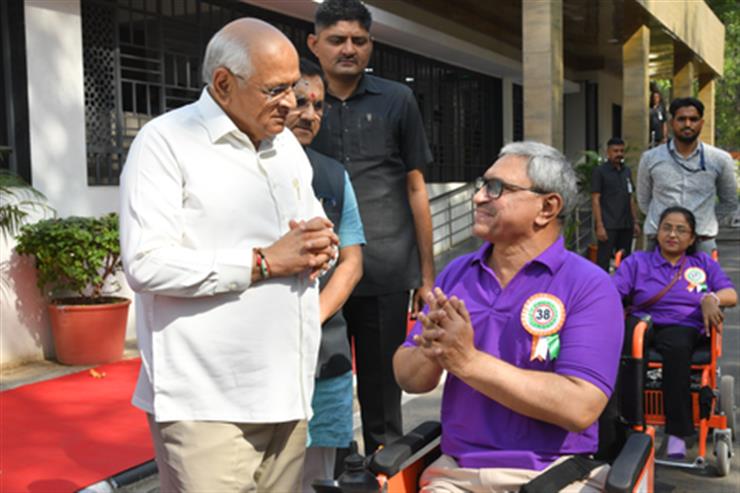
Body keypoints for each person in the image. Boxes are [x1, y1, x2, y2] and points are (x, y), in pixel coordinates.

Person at [119, 19, 340, 492]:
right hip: (208, 405)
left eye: (295, 88)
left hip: (289, 392)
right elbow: (145, 262)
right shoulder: (165, 142)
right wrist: (262, 262)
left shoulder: (286, 147)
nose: (292, 103)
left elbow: (310, 229)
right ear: (223, 84)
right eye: (276, 90)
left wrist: (322, 246)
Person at [394, 142, 624, 492]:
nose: (478, 198)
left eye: (496, 188)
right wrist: (431, 350)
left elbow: (580, 406)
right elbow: (409, 379)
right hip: (457, 474)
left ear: (547, 208)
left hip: (554, 473)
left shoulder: (589, 285)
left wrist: (468, 361)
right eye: (482, 185)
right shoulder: (458, 274)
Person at [308, 0, 435, 454]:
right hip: (319, 271)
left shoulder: (397, 100)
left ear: (371, 45)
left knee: (384, 392)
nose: (348, 49)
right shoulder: (302, 103)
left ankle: (384, 473)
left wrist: (426, 276)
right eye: (337, 40)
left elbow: (416, 188)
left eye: (358, 41)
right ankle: (333, 471)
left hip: (386, 265)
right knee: (323, 383)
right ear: (314, 44)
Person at [285, 58, 366, 491]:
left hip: (324, 348)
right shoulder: (240, 169)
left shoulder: (334, 175)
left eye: (318, 106)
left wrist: (312, 316)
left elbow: (351, 262)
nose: (310, 115)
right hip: (259, 351)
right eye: (300, 101)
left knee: (317, 476)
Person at [613, 206, 736, 458]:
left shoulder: (702, 263)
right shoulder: (638, 262)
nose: (672, 234)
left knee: (677, 347)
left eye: (681, 230)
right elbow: (612, 291)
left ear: (691, 239)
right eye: (667, 228)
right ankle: (626, 426)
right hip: (644, 320)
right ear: (657, 232)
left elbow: (731, 295)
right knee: (626, 343)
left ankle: (678, 433)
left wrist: (711, 298)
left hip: (684, 325)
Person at [637, 97, 738, 254]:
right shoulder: (650, 158)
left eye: (693, 119)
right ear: (672, 123)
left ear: (701, 123)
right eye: (681, 119)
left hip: (701, 242)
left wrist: (703, 222)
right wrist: (665, 225)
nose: (688, 124)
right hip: (659, 242)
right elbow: (644, 201)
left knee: (704, 272)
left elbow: (729, 202)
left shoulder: (719, 159)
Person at [591, 137, 641, 271]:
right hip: (608, 224)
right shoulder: (600, 172)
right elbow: (595, 199)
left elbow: (630, 197)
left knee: (625, 261)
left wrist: (635, 221)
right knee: (603, 261)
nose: (619, 154)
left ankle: (623, 284)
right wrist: (599, 225)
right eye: (615, 151)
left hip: (626, 224)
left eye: (621, 151)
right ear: (608, 152)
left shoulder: (627, 171)